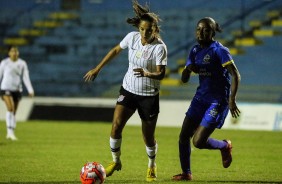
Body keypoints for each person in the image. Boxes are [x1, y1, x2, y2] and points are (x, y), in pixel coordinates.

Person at [84, 0, 167, 182]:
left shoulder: (159, 48)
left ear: (155, 29)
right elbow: (115, 50)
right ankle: (115, 161)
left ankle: (151, 165)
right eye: (143, 28)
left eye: (149, 29)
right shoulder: (132, 38)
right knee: (116, 126)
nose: (145, 32)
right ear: (139, 27)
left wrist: (147, 73)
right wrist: (97, 68)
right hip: (128, 90)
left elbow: (161, 74)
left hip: (148, 97)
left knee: (148, 137)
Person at [172, 17, 241, 181]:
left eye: (206, 30)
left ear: (212, 32)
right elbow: (184, 79)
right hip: (199, 99)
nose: (201, 32)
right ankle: (186, 173)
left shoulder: (220, 50)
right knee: (183, 136)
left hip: (217, 101)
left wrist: (231, 100)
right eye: (198, 29)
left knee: (197, 141)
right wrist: (188, 70)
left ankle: (225, 146)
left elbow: (235, 75)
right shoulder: (194, 51)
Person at [0, 46, 34, 141]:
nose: (14, 53)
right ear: (9, 53)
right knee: (10, 108)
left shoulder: (22, 63)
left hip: (17, 89)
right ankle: (9, 132)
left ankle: (11, 131)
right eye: (12, 51)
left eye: (16, 51)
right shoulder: (4, 63)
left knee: (14, 112)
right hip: (5, 88)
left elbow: (25, 77)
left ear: (18, 53)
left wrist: (30, 89)